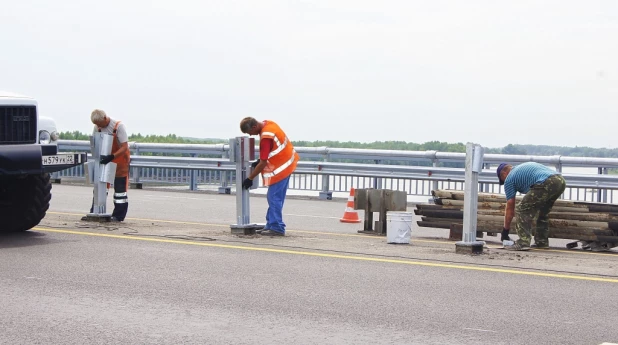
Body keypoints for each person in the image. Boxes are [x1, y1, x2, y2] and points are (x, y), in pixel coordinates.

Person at [239, 117, 299, 236]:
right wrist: (260, 159)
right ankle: (271, 224)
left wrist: (250, 178)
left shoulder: (266, 136)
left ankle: (277, 227)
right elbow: (271, 152)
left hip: (281, 168)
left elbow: (263, 163)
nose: (250, 135)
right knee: (275, 198)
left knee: (274, 198)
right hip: (287, 164)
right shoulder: (269, 124)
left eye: (249, 132)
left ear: (254, 127)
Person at [497, 162, 566, 251]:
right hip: (560, 181)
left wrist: (505, 231)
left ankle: (523, 242)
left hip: (547, 182)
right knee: (542, 212)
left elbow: (510, 207)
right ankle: (541, 242)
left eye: (502, 179)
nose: (504, 182)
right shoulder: (520, 169)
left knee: (521, 209)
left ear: (503, 174)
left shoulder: (509, 179)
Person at [90, 109, 131, 222]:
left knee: (120, 192)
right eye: (96, 124)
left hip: (120, 161)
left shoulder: (118, 126)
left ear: (105, 118)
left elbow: (124, 147)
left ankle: (118, 216)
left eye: (100, 123)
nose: (99, 126)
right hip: (105, 161)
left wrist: (112, 157)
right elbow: (95, 143)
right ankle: (96, 211)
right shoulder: (97, 127)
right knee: (100, 188)